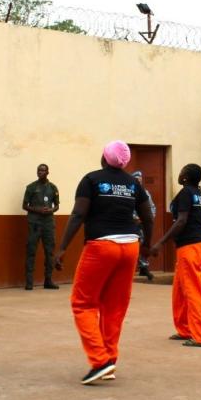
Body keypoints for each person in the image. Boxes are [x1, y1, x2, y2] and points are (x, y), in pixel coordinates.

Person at [55, 141, 154, 385]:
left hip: (102, 246)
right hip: (130, 246)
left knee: (83, 303)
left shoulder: (91, 179)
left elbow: (79, 214)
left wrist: (62, 247)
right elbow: (148, 216)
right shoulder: (133, 183)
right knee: (114, 306)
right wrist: (147, 246)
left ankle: (100, 361)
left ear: (104, 158)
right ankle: (109, 360)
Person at [151, 163, 201, 347]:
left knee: (193, 291)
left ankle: (200, 336)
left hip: (191, 246)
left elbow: (182, 220)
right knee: (180, 290)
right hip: (198, 244)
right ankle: (185, 329)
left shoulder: (186, 193)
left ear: (186, 177)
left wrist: (161, 242)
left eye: (182, 171)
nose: (180, 173)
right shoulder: (199, 195)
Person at [23, 163, 60, 290]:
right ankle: (29, 282)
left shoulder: (53, 187)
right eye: (38, 170)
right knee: (31, 251)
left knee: (49, 252)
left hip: (48, 223)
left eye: (43, 170)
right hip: (34, 223)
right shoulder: (31, 187)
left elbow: (57, 206)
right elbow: (24, 205)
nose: (40, 172)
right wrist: (37, 210)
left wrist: (51, 210)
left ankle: (48, 280)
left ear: (48, 172)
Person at [130, 170, 156, 281]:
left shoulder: (146, 193)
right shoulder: (129, 192)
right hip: (132, 224)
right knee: (134, 245)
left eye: (140, 180)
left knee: (144, 244)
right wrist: (134, 218)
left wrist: (149, 218)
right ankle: (131, 269)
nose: (139, 182)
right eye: (137, 180)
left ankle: (143, 267)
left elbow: (152, 207)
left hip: (143, 224)